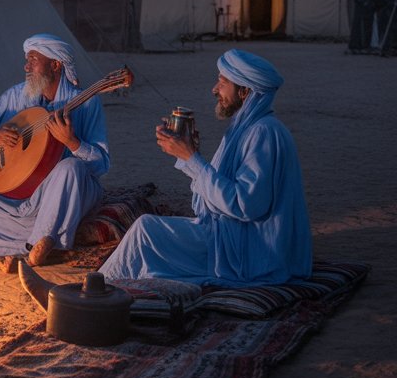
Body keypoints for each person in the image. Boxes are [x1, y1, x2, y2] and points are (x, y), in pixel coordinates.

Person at [100, 49, 312, 286]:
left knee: (146, 230)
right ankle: (101, 286)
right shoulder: (244, 129)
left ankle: (95, 290)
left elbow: (245, 205)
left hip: (252, 250)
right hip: (232, 234)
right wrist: (190, 156)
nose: (214, 90)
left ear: (244, 91)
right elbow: (210, 198)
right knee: (149, 233)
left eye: (222, 83)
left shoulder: (264, 133)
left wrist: (192, 158)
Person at [0, 34, 109, 271]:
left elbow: (102, 165)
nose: (26, 66)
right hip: (26, 190)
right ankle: (36, 242)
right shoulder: (19, 94)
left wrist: (73, 142)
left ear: (55, 65)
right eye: (27, 60)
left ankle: (33, 241)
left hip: (66, 190)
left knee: (71, 167)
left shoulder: (86, 102)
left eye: (33, 59)